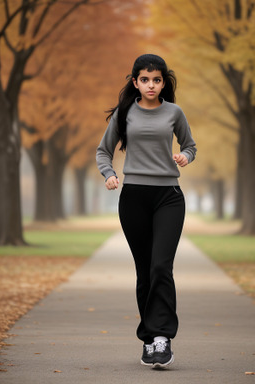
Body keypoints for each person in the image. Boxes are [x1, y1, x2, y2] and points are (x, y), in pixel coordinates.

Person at [96, 54, 197, 369]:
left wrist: (185, 157)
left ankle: (163, 337)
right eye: (144, 79)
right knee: (144, 270)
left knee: (160, 268)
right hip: (134, 198)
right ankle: (149, 339)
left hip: (168, 196)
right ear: (135, 82)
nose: (151, 85)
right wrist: (109, 174)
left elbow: (190, 145)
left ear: (163, 82)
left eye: (156, 79)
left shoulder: (174, 112)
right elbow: (103, 150)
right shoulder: (125, 114)